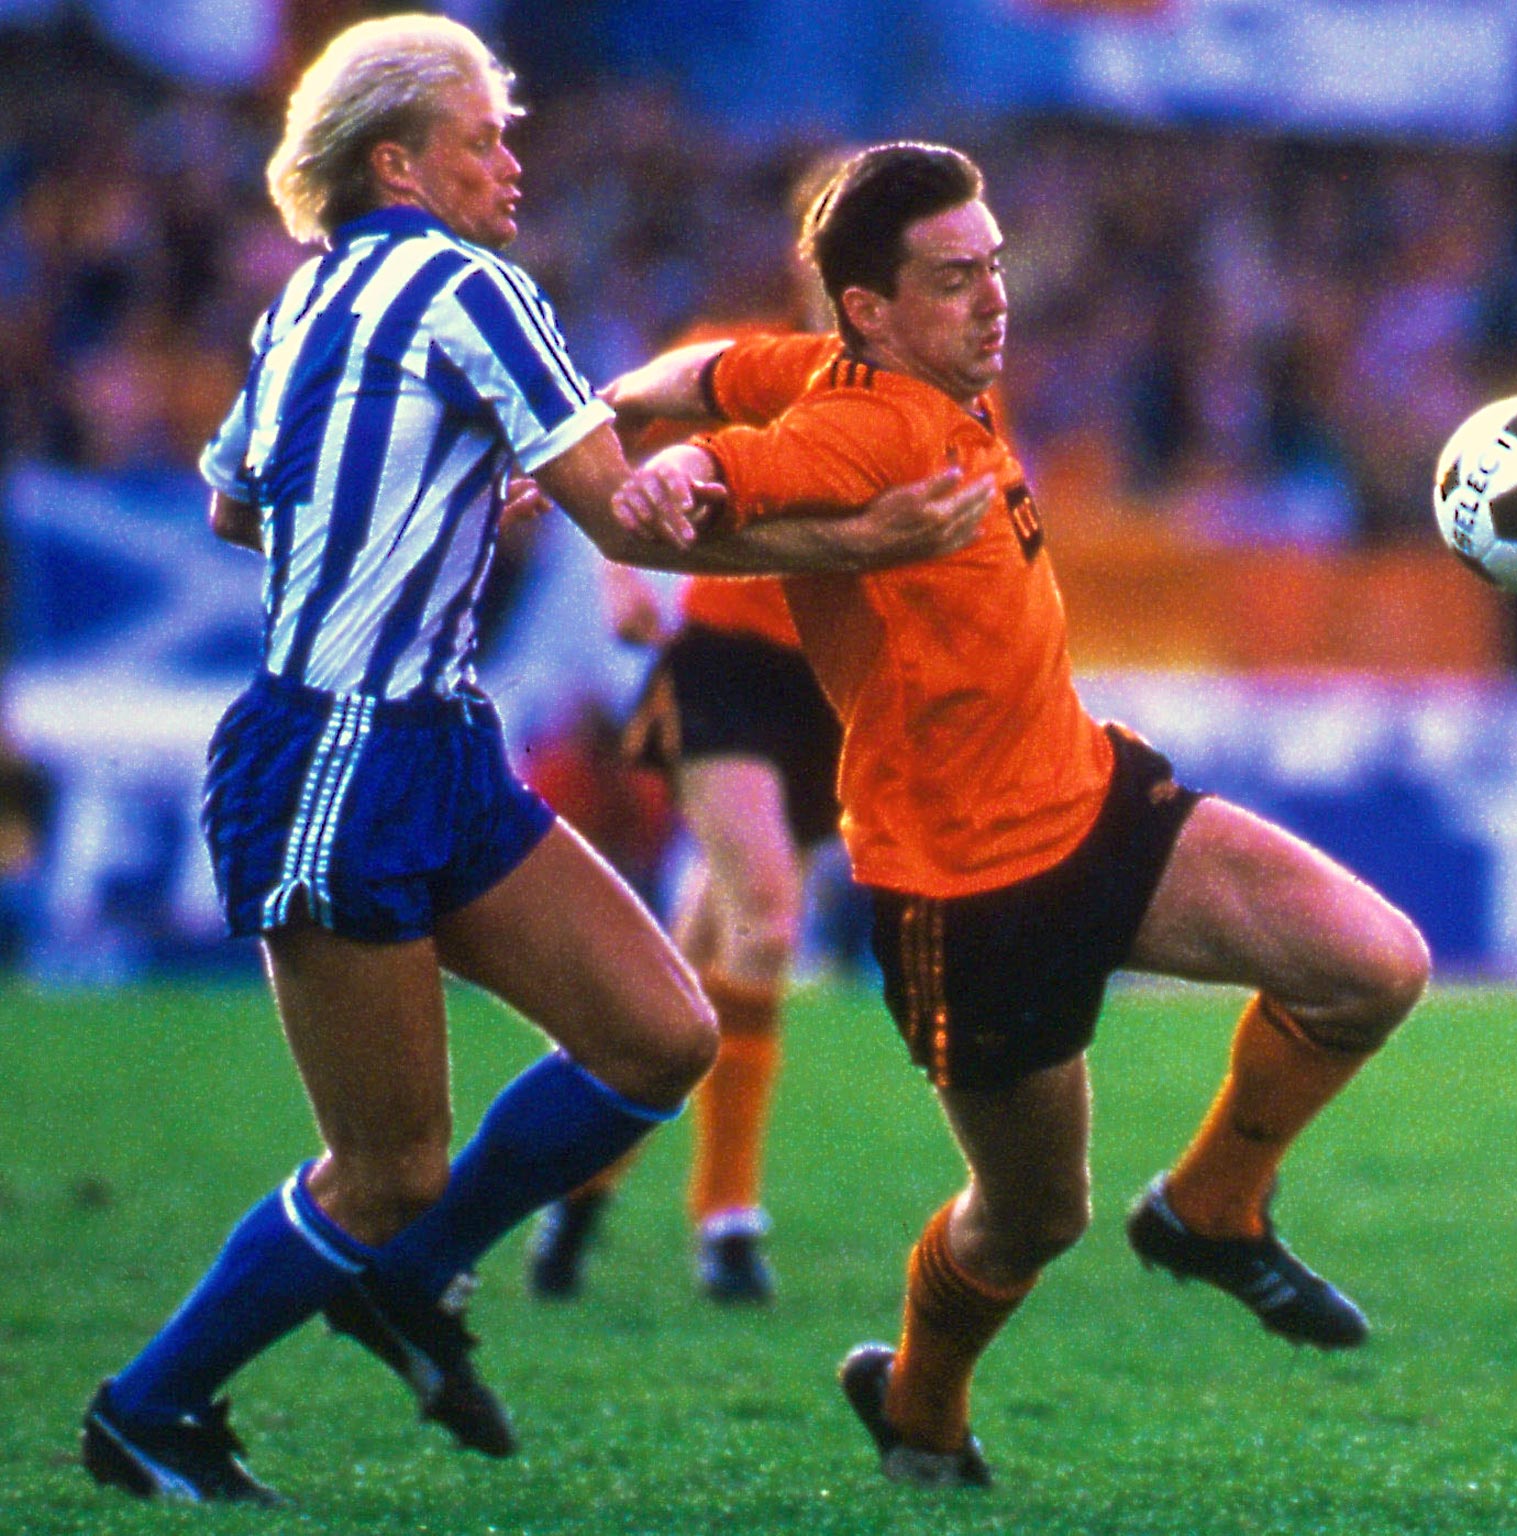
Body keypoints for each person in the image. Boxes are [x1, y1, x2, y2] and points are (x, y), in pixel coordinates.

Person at [78, 25, 990, 1506]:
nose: (512, 164)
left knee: (659, 1035)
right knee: (384, 1167)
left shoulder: (305, 300)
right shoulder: (466, 284)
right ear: (398, 163)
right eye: (483, 140)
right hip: (342, 755)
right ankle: (151, 1407)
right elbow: (629, 521)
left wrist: (417, 496)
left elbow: (239, 508)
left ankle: (412, 1280)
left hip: (430, 737)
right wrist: (869, 541)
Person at [607, 142, 1433, 1489]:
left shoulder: (849, 367)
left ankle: (1214, 1208)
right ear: (868, 310)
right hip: (966, 895)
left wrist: (617, 401)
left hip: (1094, 796)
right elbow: (735, 472)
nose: (994, 300)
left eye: (995, 267)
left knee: (1373, 966)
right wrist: (667, 485)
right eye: (954, 279)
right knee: (1032, 1217)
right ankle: (921, 1406)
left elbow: (704, 378)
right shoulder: (858, 423)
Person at [527, 161, 853, 1306]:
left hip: (824, 692)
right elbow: (597, 432)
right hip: (720, 665)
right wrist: (619, 565)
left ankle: (581, 1183)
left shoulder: (951, 401)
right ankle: (727, 1219)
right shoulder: (741, 361)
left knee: (697, 953)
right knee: (767, 910)